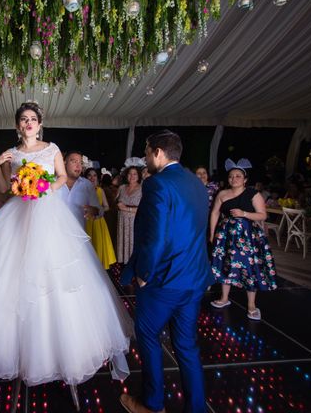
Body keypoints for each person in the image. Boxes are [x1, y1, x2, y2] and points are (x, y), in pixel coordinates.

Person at [0, 102, 132, 387]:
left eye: (33, 119)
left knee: (57, 274)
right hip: (18, 215)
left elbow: (62, 177)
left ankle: (66, 348)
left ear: (40, 124)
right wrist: (0, 167)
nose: (28, 123)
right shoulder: (12, 154)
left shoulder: (52, 149)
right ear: (17, 125)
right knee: (12, 274)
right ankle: (19, 349)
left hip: (49, 213)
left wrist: (43, 187)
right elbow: (3, 190)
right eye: (24, 119)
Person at [119, 130, 213, 413]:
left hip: (164, 279)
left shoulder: (157, 184)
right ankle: (195, 408)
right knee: (186, 347)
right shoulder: (196, 184)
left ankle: (152, 404)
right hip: (194, 278)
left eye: (147, 152)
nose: (145, 158)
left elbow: (155, 236)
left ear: (158, 152)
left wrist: (143, 273)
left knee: (147, 337)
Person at [210, 159, 277, 321]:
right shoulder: (222, 194)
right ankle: (224, 298)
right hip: (226, 235)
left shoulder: (253, 194)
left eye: (238, 176)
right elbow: (215, 213)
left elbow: (262, 215)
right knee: (226, 265)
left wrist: (244, 214)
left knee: (249, 268)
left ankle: (252, 305)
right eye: (231, 176)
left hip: (247, 236)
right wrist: (212, 234)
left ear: (245, 179)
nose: (234, 179)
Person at [57, 151, 100, 227]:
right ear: (64, 163)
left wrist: (95, 210)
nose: (78, 166)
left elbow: (99, 209)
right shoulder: (53, 183)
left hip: (77, 235)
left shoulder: (87, 185)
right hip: (54, 235)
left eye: (81, 163)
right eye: (74, 162)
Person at [84, 168, 116, 269]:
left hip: (98, 222)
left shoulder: (100, 190)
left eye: (94, 175)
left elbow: (106, 206)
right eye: (89, 175)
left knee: (97, 247)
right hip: (86, 221)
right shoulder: (82, 189)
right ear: (85, 177)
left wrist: (99, 210)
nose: (92, 178)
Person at [116, 166, 142, 264]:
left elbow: (144, 209)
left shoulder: (142, 189)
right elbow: (115, 203)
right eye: (130, 173)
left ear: (138, 176)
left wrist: (127, 208)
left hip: (134, 222)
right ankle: (121, 268)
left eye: (135, 174)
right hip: (122, 222)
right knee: (122, 244)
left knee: (132, 244)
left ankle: (133, 269)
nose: (132, 176)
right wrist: (117, 206)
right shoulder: (121, 188)